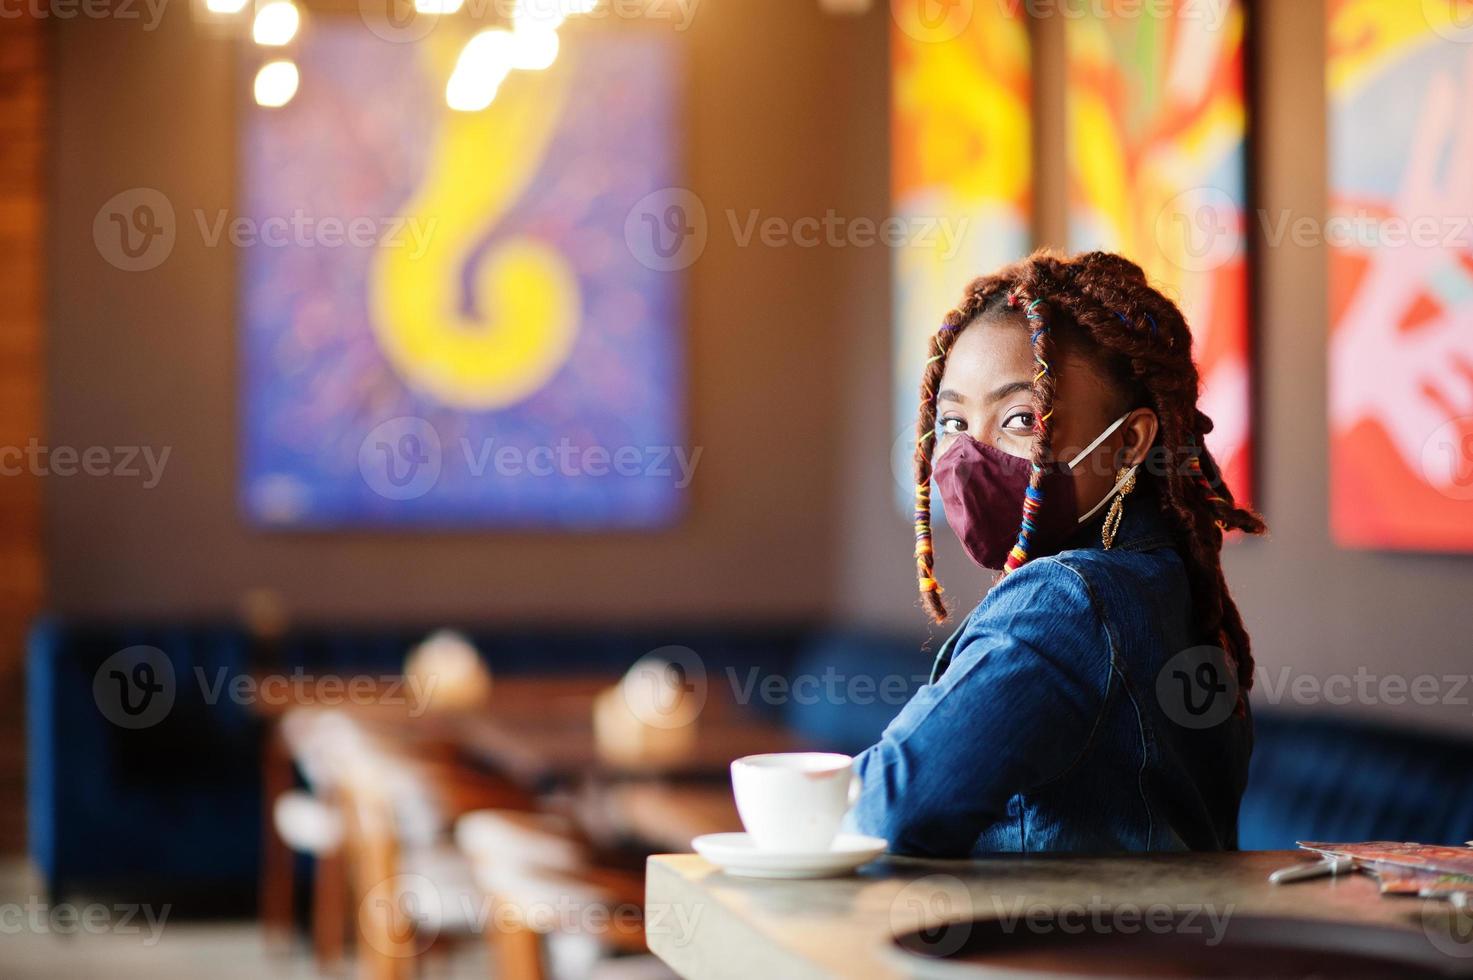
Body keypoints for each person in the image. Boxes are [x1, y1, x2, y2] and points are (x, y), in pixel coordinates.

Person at [851, 250, 1264, 855]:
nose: (970, 454)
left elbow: (888, 808)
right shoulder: (1172, 586)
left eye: (1021, 418)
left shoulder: (1066, 601)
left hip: (1052, 950)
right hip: (1173, 949)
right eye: (954, 423)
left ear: (1128, 442)